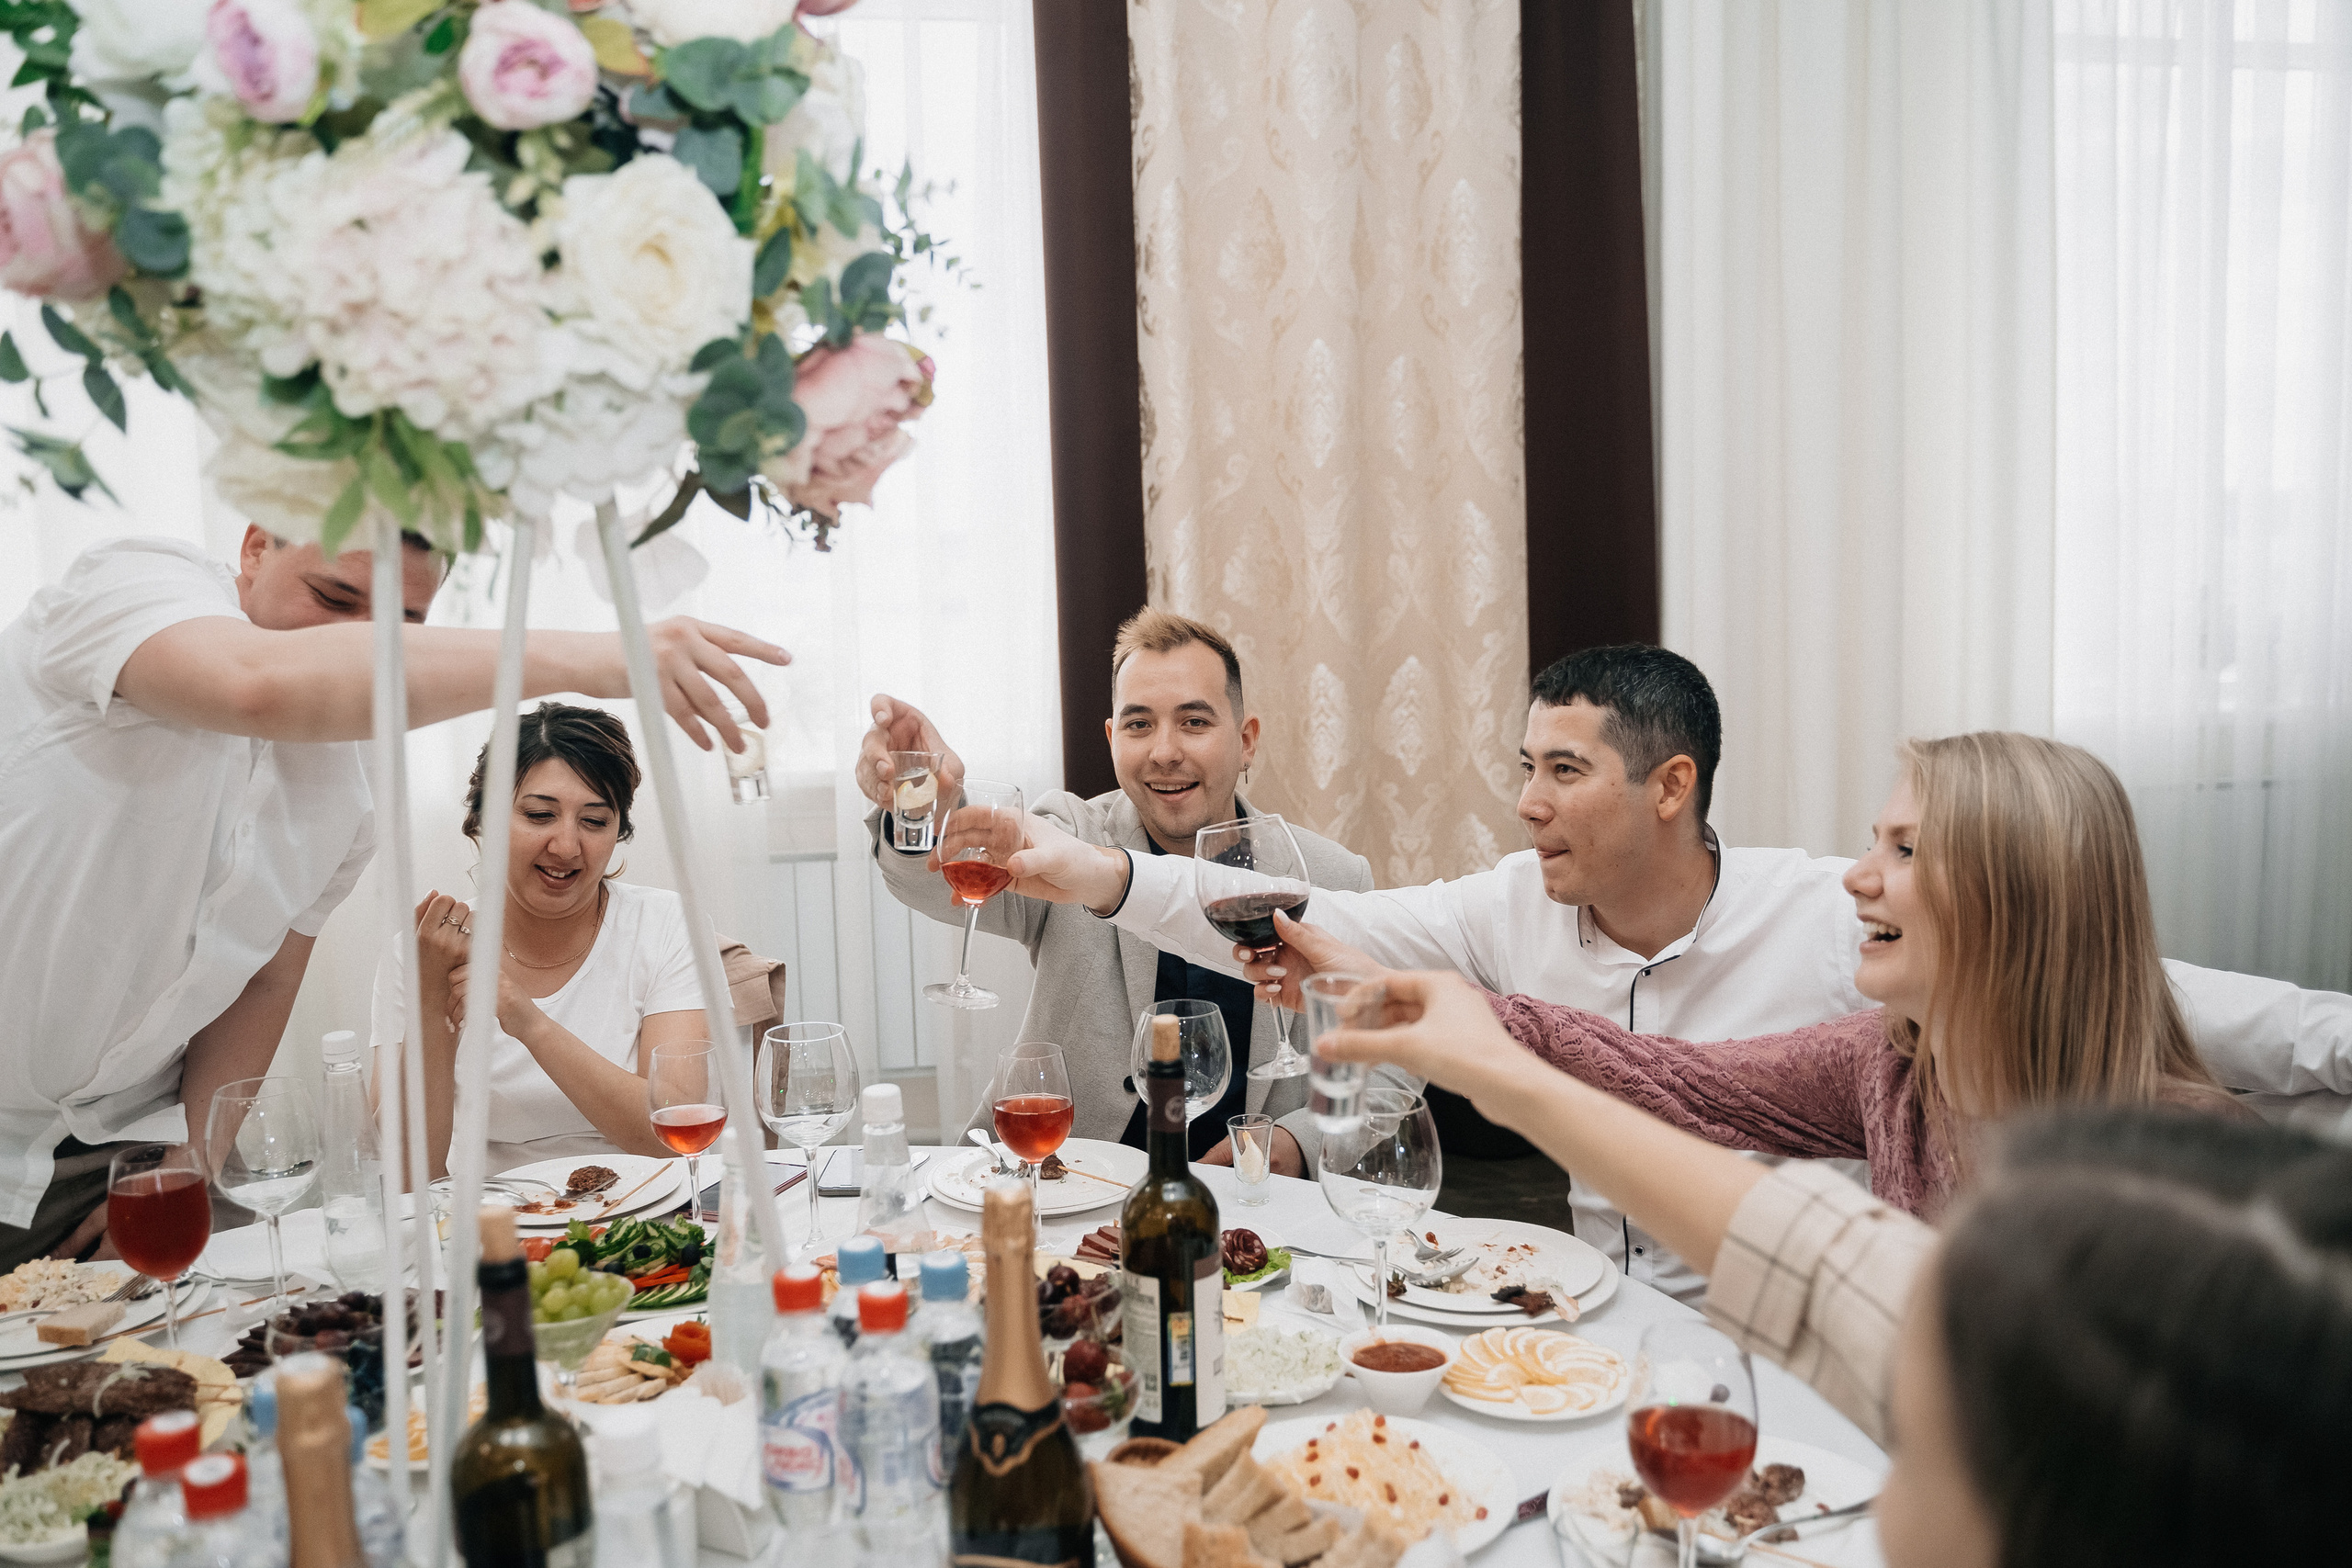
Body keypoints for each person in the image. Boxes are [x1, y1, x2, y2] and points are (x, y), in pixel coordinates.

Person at [1002, 646, 2352, 1290]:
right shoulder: (1882, 1056)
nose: (1526, 802)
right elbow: (1666, 1079)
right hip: (1596, 1307)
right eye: (1524, 765)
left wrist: (1478, 1034)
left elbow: (2245, 1021)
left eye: (1562, 770)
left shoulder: (1852, 943)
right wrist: (1097, 876)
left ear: (1671, 785)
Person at [1313, 971, 2350, 1568]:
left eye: (1902, 848)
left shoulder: (2118, 1284)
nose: (1856, 876)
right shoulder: (2024, 1300)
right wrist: (1490, 1058)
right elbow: (1801, 1244)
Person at [0, 527, 784, 1269]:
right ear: (253, 548)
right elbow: (253, 685)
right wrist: (603, 656)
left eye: (402, 626)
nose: (365, 647)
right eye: (336, 597)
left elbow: (268, 978)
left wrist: (194, 1161)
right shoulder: (134, 586)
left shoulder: (355, 780)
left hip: (132, 1145)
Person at [855, 608, 1385, 1172]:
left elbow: (1390, 1068)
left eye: (1194, 722)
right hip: (1066, 1190)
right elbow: (942, 886)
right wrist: (919, 809)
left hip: (1257, 1208)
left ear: (1247, 740)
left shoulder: (1331, 878)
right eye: (1138, 725)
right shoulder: (1068, 833)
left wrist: (1296, 1144)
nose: (1163, 751)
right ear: (1112, 739)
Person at [372, 705, 708, 1178]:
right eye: (539, 815)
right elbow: (406, 1176)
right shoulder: (426, 951)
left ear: (619, 832)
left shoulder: (667, 923)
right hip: (487, 1223)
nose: (567, 847)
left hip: (644, 1209)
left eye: (594, 821)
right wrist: (432, 1001)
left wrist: (526, 1019)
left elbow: (677, 1135)